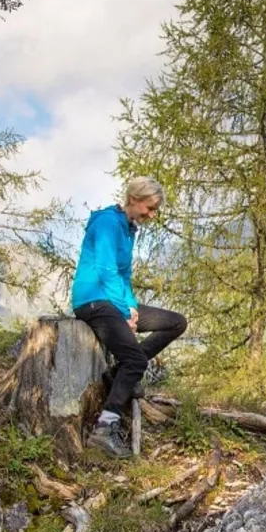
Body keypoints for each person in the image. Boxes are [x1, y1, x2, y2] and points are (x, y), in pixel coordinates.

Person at [70, 176, 187, 458]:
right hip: (92, 301)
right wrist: (123, 313)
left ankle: (117, 374)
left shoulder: (128, 229)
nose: (152, 214)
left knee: (175, 322)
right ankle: (104, 428)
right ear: (134, 199)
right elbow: (106, 270)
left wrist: (131, 308)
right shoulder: (108, 223)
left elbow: (124, 274)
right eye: (150, 207)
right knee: (135, 359)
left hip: (113, 300)